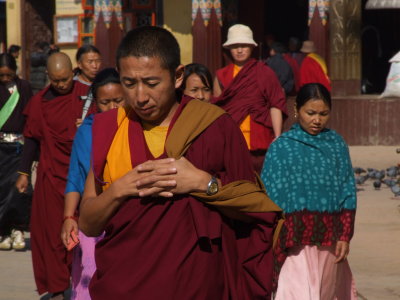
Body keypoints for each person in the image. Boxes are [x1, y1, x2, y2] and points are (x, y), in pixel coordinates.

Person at [79, 26, 283, 300]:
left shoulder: (214, 126)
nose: (140, 97)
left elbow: (254, 210)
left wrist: (205, 184)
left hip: (196, 288)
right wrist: (120, 189)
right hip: (122, 286)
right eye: (129, 83)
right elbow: (88, 223)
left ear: (177, 76)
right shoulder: (109, 128)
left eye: (151, 83)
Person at [261, 83, 357, 299]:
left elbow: (347, 190)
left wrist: (344, 235)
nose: (317, 120)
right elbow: (267, 196)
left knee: (324, 293)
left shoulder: (336, 144)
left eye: (324, 114)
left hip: (329, 240)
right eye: (310, 113)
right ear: (297, 110)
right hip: (293, 242)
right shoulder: (282, 146)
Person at [15, 52, 95, 299]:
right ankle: (57, 288)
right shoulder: (39, 102)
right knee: (50, 235)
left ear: (73, 72)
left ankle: (87, 283)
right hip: (51, 177)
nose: (62, 84)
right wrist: (23, 172)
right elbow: (31, 139)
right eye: (57, 80)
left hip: (83, 175)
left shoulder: (88, 95)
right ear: (49, 76)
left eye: (66, 78)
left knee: (85, 234)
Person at [61, 68, 125, 300]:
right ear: (95, 102)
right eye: (105, 102)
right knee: (91, 279)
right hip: (94, 217)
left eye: (118, 100)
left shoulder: (137, 127)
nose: (112, 107)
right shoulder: (87, 131)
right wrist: (69, 217)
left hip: (129, 216)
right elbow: (75, 177)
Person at [212, 24, 287, 173]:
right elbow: (217, 108)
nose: (239, 50)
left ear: (252, 47)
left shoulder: (265, 72)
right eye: (235, 46)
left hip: (260, 141)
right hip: (231, 141)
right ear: (229, 49)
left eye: (244, 46)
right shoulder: (221, 75)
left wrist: (277, 136)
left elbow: (275, 104)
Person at [0, 53, 33, 251]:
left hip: (19, 147)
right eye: (1, 75)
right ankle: (3, 230)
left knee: (19, 190)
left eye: (9, 75)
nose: (5, 79)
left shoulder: (25, 87)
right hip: (0, 147)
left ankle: (18, 229)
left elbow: (31, 117)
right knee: (2, 190)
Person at [74, 45, 102, 126]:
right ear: (79, 64)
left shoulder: (104, 84)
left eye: (98, 61)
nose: (95, 66)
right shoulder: (71, 86)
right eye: (90, 62)